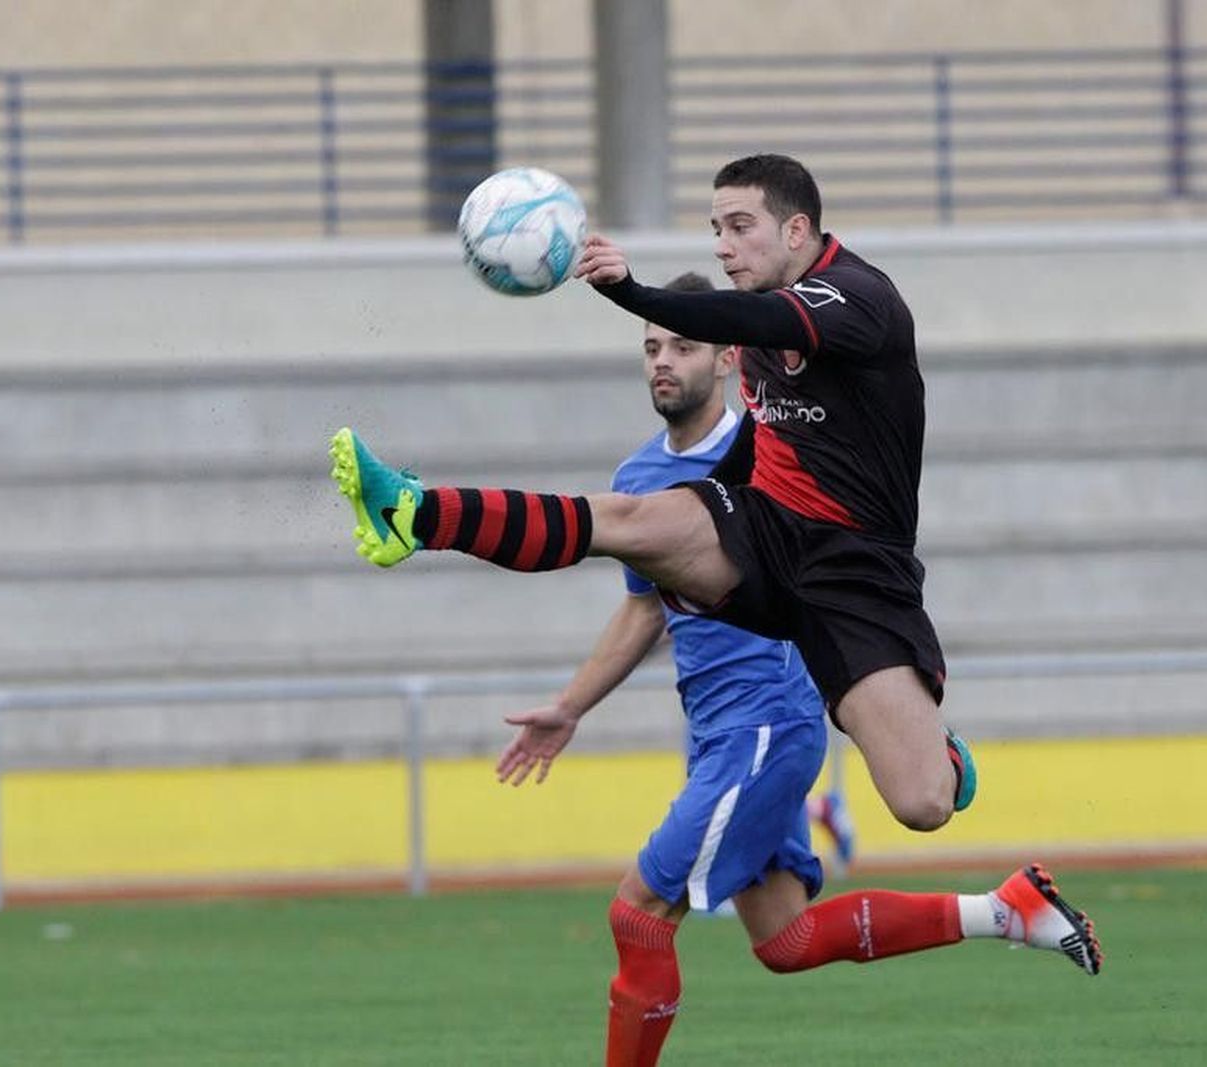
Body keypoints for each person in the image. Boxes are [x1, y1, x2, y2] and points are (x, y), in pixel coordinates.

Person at [489, 276, 1101, 1066]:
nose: (663, 361)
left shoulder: (773, 452)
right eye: (651, 347)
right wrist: (569, 706)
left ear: (728, 358)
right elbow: (646, 611)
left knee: (638, 913)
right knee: (787, 937)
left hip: (769, 720)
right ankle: (1006, 909)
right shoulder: (638, 480)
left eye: (682, 344)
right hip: (716, 734)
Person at [331, 153, 977, 840]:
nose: (723, 245)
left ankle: (943, 754)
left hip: (856, 574)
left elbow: (757, 322)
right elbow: (762, 439)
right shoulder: (762, 326)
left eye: (739, 226)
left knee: (922, 803)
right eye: (714, 228)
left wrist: (631, 291)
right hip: (767, 534)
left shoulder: (858, 299)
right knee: (631, 519)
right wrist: (696, 506)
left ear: (796, 231)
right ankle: (416, 512)